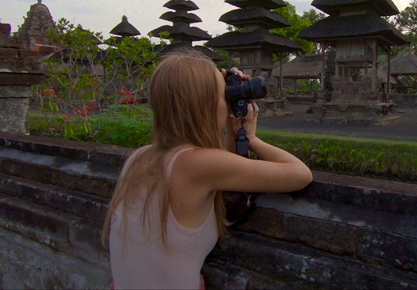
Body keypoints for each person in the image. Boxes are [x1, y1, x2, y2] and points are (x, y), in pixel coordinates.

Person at [101, 49, 313, 290]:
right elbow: (301, 174)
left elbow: (222, 171)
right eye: (223, 97)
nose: (227, 103)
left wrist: (236, 132)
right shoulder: (196, 165)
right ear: (205, 106)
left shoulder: (139, 158)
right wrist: (252, 138)